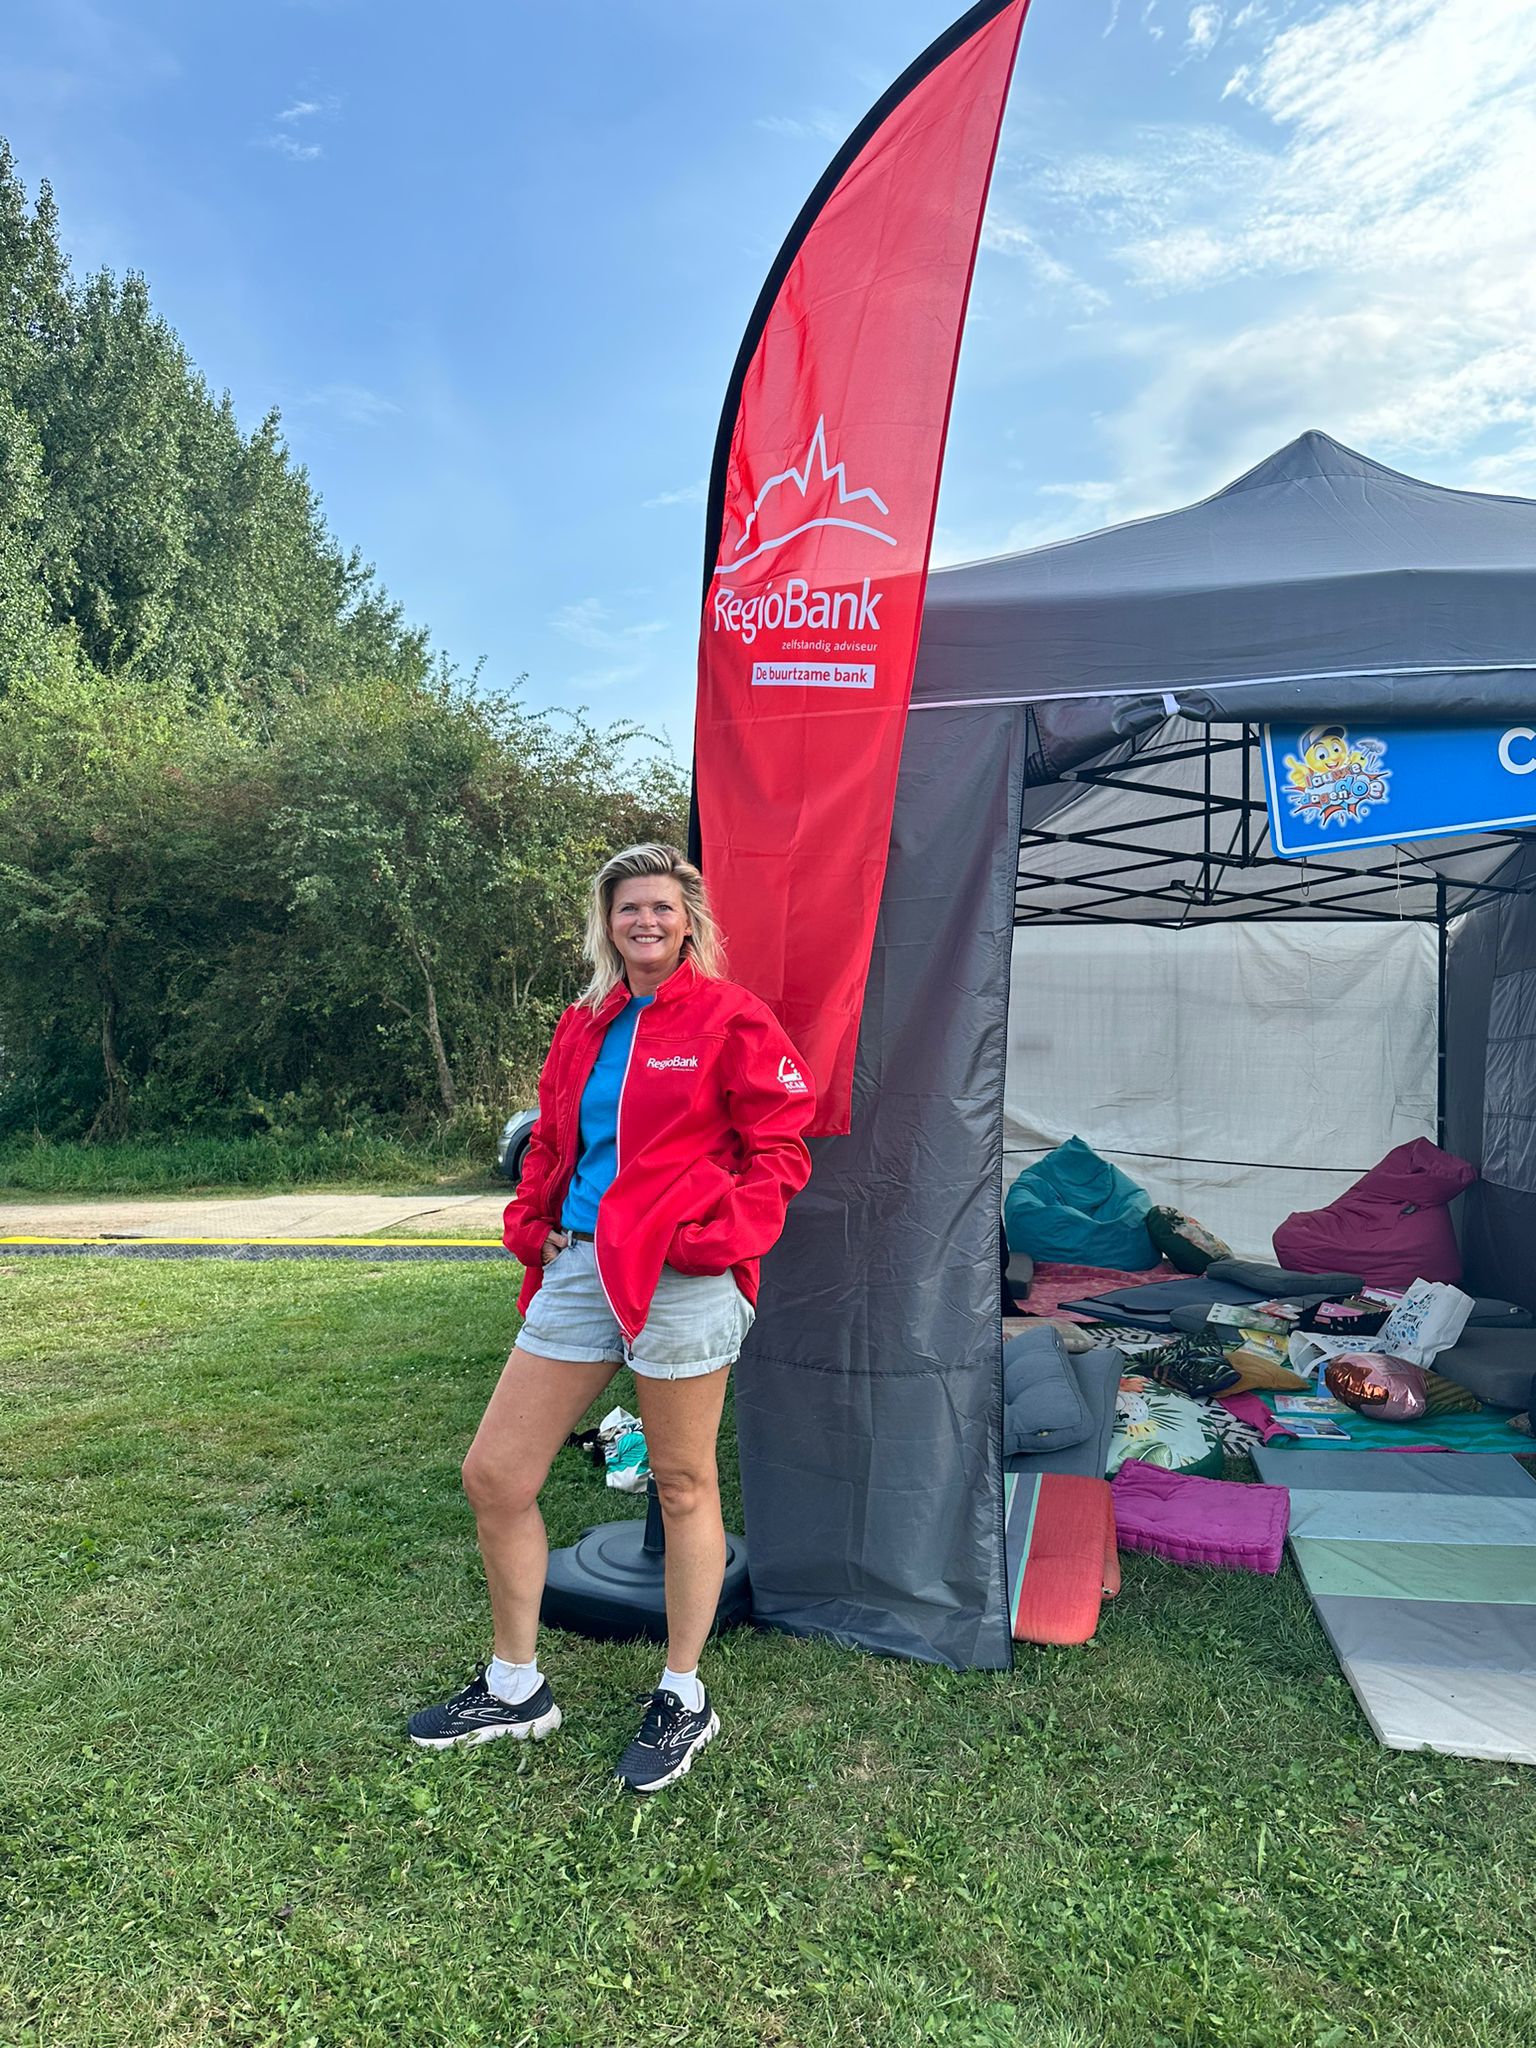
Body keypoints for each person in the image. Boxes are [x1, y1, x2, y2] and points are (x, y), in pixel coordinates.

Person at [408, 843, 815, 1792]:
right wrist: (533, 1221)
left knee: (680, 1486)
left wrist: (720, 1236)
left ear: (689, 922)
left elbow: (781, 1149)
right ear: (609, 922)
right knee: (496, 1474)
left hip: (681, 1274)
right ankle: (516, 1686)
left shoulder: (729, 1017)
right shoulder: (584, 1023)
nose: (646, 923)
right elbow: (553, 1139)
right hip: (585, 1266)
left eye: (663, 909)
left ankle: (683, 1694)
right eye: (629, 909)